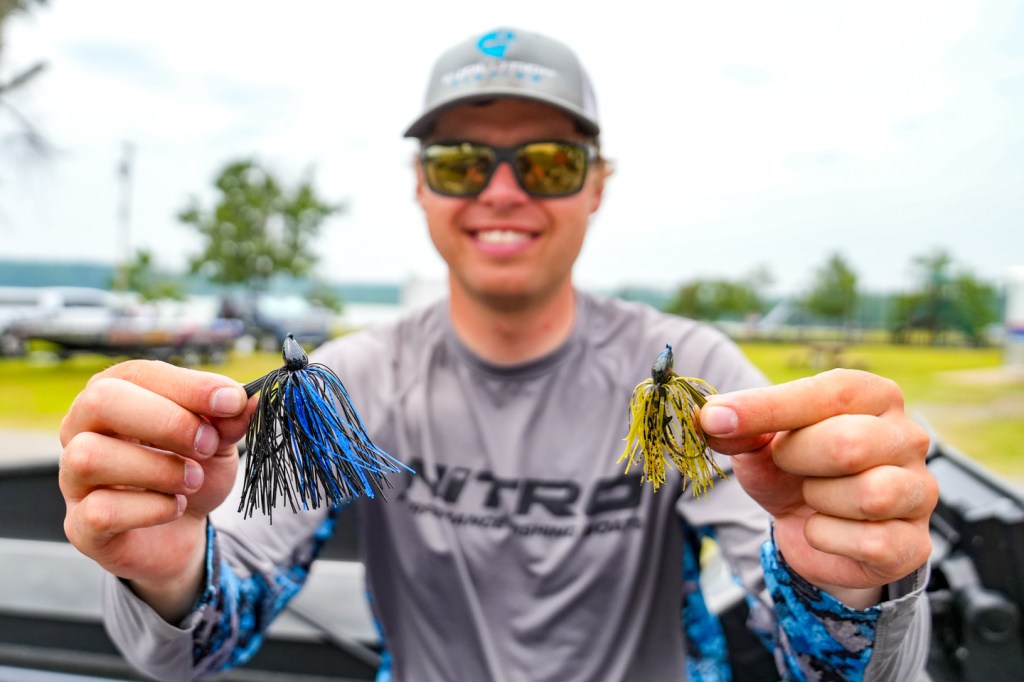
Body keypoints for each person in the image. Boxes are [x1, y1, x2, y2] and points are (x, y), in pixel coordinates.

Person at [58, 27, 937, 682]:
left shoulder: (692, 373)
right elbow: (197, 644)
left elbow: (841, 669)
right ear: (421, 184)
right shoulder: (351, 383)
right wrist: (168, 569)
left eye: (548, 163)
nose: (503, 191)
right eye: (460, 162)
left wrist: (851, 582)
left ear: (597, 184)